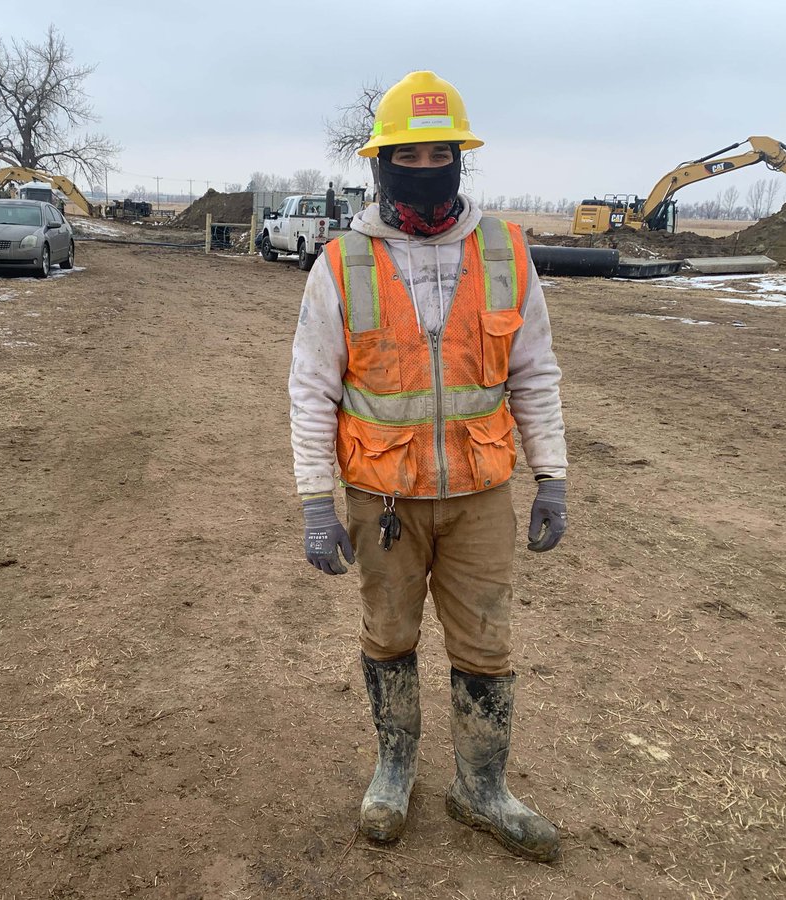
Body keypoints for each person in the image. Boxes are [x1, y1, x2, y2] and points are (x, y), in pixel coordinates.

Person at [288, 71, 568, 862]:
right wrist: (316, 500)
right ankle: (395, 771)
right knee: (388, 635)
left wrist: (552, 474)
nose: (425, 167)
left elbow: (534, 372)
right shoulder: (342, 263)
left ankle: (482, 789)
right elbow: (310, 390)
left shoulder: (507, 250)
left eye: (439, 153)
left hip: (481, 494)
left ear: (460, 160)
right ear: (381, 164)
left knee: (487, 644)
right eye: (408, 155)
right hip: (383, 498)